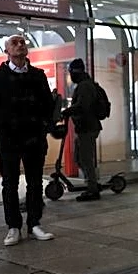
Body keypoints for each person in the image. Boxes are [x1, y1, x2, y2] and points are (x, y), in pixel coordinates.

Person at [0, 35, 55, 246]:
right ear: (7, 51)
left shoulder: (38, 76)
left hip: (34, 138)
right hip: (9, 139)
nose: (20, 45)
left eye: (23, 42)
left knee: (35, 182)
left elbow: (48, 105)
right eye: (15, 43)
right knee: (9, 184)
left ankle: (35, 223)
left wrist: (45, 127)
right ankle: (13, 227)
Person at [61, 58, 102, 201]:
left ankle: (92, 189)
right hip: (85, 127)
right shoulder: (84, 84)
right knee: (79, 158)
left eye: (71, 72)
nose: (70, 75)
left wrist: (67, 111)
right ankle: (91, 182)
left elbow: (82, 106)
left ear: (75, 72)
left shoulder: (84, 86)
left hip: (88, 127)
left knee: (85, 158)